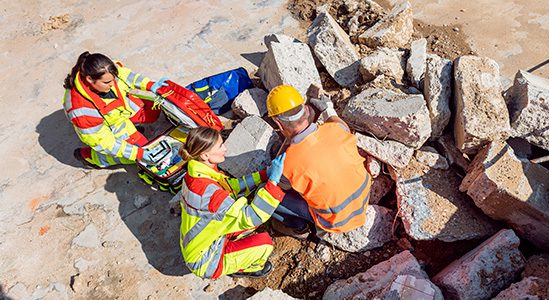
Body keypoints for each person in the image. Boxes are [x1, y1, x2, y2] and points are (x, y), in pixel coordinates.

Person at [177, 126, 285, 279]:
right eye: (220, 146)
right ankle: (250, 268)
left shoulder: (196, 175)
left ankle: (233, 251)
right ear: (205, 155)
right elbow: (251, 217)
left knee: (250, 222)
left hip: (203, 243)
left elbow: (232, 186)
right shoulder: (209, 195)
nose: (225, 148)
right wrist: (273, 182)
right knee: (265, 244)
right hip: (205, 261)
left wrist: (264, 175)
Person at [266, 84, 371, 237]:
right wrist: (327, 107)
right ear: (306, 110)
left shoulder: (288, 165)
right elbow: (333, 118)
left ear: (278, 123)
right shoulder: (337, 129)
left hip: (336, 220)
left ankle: (299, 228)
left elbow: (277, 183)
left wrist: (287, 144)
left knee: (267, 196)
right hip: (363, 199)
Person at [62, 51, 169, 168]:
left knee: (153, 110)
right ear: (89, 79)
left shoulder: (105, 69)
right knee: (140, 155)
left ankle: (133, 132)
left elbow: (127, 76)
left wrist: (149, 84)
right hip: (111, 127)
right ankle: (91, 158)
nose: (113, 84)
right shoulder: (82, 112)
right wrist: (137, 153)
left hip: (120, 110)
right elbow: (104, 142)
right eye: (107, 82)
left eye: (114, 79)